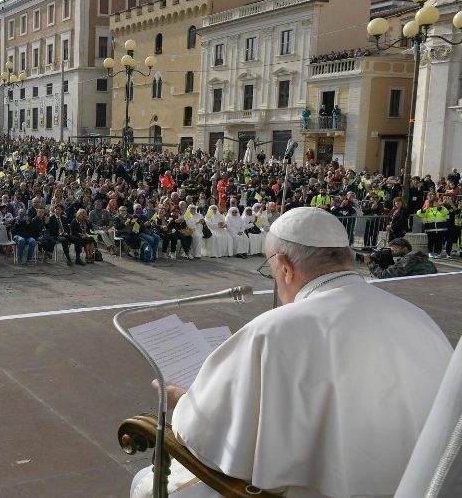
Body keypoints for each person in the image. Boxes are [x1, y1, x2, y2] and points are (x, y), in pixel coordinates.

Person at [131, 207, 453, 498]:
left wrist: (182, 400)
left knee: (149, 484)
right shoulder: (417, 317)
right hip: (418, 487)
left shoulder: (273, 331)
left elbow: (206, 437)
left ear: (285, 268)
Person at [365, 237, 438, 279]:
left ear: (405, 249)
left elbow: (384, 275)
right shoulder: (419, 257)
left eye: (395, 249)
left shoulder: (410, 259)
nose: (392, 251)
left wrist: (370, 262)